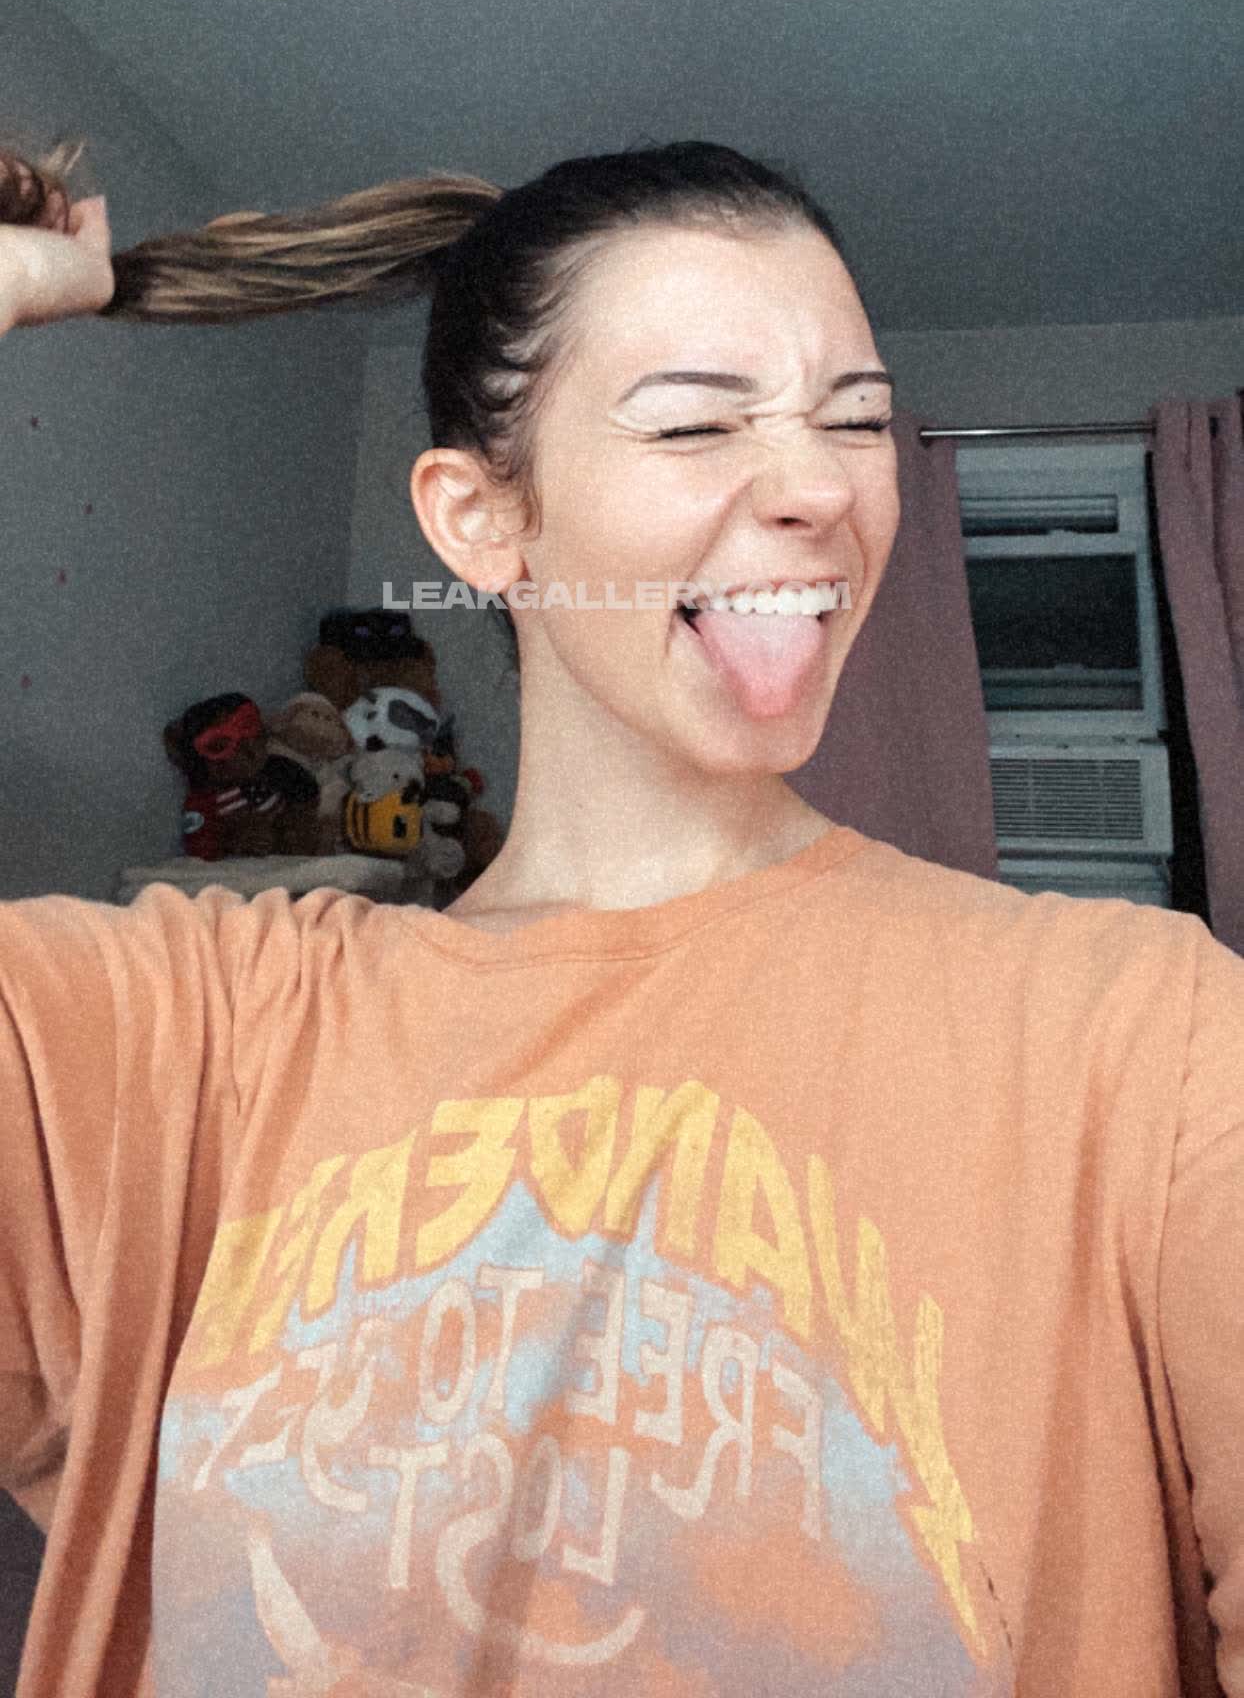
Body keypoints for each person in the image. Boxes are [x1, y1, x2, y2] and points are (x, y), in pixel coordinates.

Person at [0, 137, 1241, 1697]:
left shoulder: (1152, 1043)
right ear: (478, 519)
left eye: (857, 420)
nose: (822, 490)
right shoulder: (179, 1041)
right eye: (699, 422)